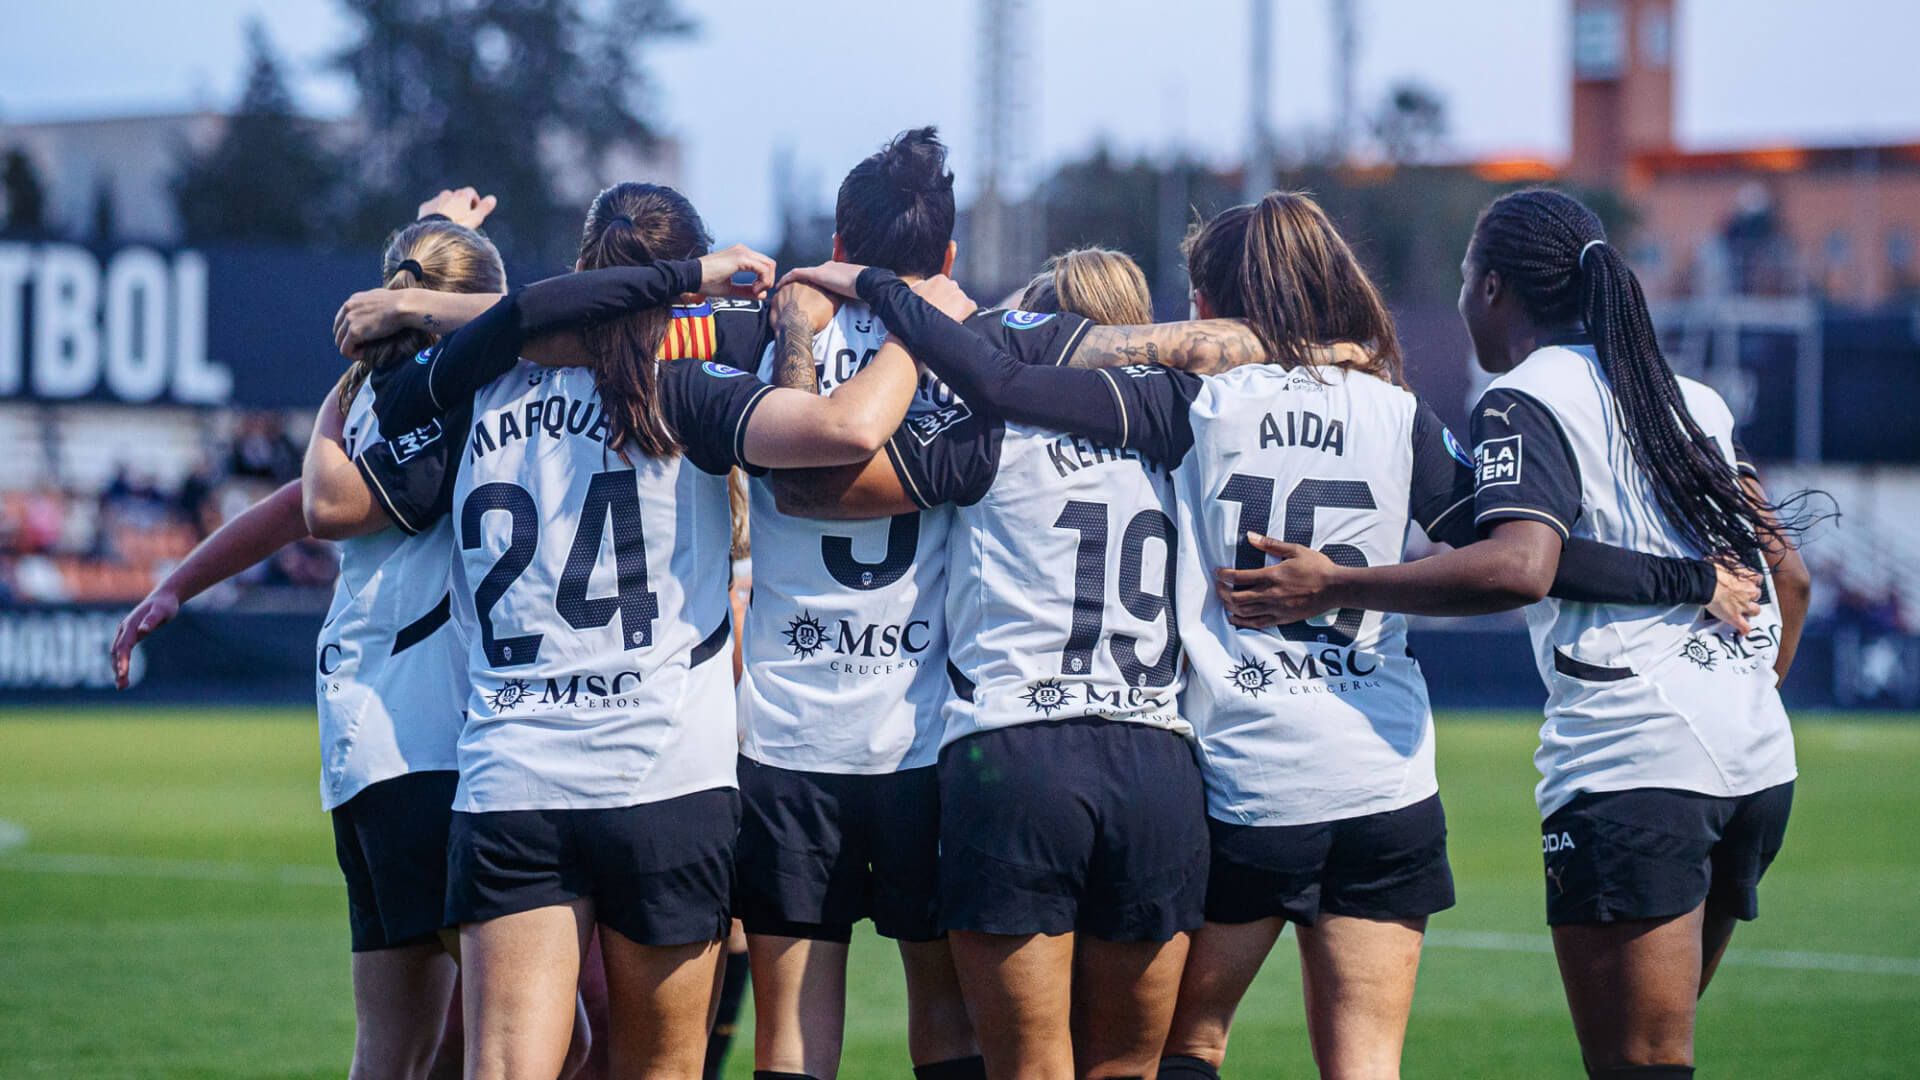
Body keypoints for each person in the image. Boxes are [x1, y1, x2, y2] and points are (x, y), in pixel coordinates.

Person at [779, 193, 1753, 1080]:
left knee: (1182, 1047)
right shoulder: (1398, 412)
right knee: (1366, 1063)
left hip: (1249, 775)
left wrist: (878, 293)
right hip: (1385, 781)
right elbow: (1522, 559)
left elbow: (998, 382)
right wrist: (1682, 580)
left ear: (1211, 303)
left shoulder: (1193, 404)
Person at [1220, 188, 1809, 1079]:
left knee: (1641, 1064)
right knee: (1651, 1056)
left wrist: (1335, 581)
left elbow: (1519, 566)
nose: (1459, 301)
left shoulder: (1522, 396)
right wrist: (1747, 685)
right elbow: (1788, 575)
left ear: (1493, 289)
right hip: (1758, 759)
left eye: (1463, 278)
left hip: (1637, 760)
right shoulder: (1691, 397)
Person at [351, 180, 927, 1080]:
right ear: (683, 293)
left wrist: (421, 278)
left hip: (515, 777)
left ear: (585, 269)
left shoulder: (474, 376)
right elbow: (845, 427)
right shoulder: (688, 390)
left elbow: (509, 321)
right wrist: (917, 329)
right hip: (666, 778)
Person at [112, 188, 600, 1080]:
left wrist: (179, 581)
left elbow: (294, 506)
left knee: (394, 1055)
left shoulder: (374, 395)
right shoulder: (456, 401)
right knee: (552, 1040)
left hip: (365, 747)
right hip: (430, 749)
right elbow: (322, 504)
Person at [734, 127, 980, 1080]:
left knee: (792, 1033)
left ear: (837, 243)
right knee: (948, 1017)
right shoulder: (971, 360)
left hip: (789, 738)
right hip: (925, 737)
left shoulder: (778, 351)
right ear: (948, 259)